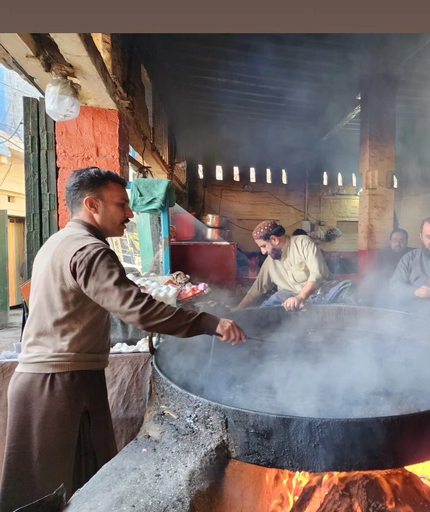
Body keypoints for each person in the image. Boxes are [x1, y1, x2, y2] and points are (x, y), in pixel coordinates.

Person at [0, 168, 246, 512]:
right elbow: (139, 310)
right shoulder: (89, 251)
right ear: (92, 205)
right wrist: (209, 323)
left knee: (79, 486)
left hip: (58, 379)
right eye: (121, 205)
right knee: (45, 495)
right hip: (58, 383)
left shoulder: (60, 242)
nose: (130, 214)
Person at [237, 220, 350, 311]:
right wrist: (238, 310)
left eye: (263, 246)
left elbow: (317, 275)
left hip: (320, 293)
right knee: (265, 311)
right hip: (290, 296)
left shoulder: (302, 243)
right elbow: (256, 289)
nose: (262, 252)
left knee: (348, 293)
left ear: (274, 240)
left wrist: (300, 298)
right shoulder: (270, 261)